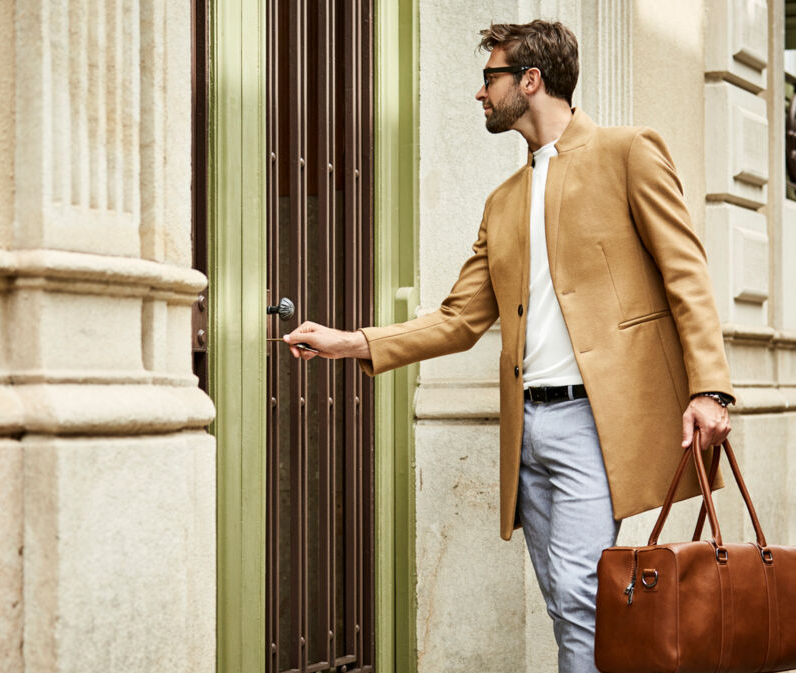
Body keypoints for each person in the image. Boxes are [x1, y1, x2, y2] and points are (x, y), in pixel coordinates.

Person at [283, 19, 734, 673]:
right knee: (566, 603)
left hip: (594, 424)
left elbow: (686, 274)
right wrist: (353, 342)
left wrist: (709, 387)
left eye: (489, 77)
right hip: (528, 430)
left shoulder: (628, 152)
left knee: (582, 599)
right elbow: (460, 319)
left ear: (531, 80)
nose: (479, 93)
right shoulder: (503, 202)